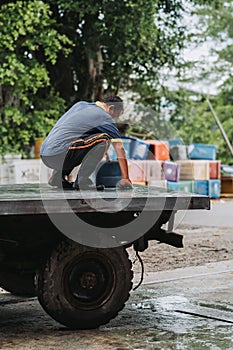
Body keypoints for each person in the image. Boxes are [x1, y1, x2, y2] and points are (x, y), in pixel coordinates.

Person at [40, 96, 132, 190]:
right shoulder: (104, 117)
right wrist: (125, 178)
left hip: (46, 154)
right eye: (116, 116)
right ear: (111, 108)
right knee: (102, 140)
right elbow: (119, 147)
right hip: (59, 154)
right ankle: (82, 181)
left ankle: (57, 178)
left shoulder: (80, 105)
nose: (114, 120)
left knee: (75, 138)